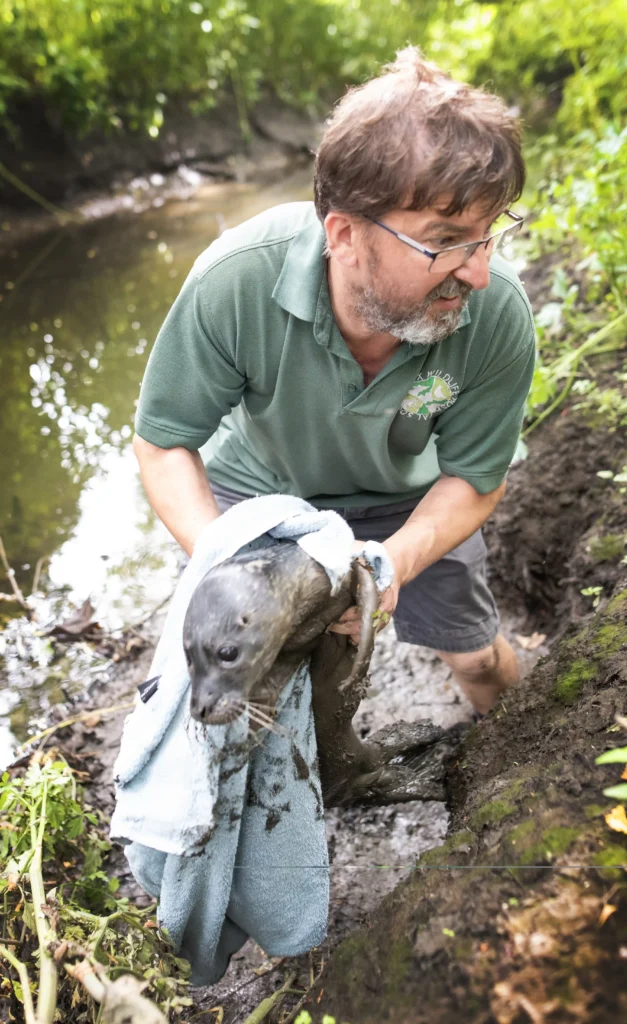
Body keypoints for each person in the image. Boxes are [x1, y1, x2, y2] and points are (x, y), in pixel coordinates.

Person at [132, 48, 535, 718]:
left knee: (476, 655)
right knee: (235, 680)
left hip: (408, 504)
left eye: (486, 236)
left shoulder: (494, 315)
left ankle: (512, 771)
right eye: (445, 242)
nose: (477, 274)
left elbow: (473, 478)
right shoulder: (236, 279)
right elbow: (163, 443)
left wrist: (393, 565)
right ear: (344, 236)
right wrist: (223, 562)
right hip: (261, 495)